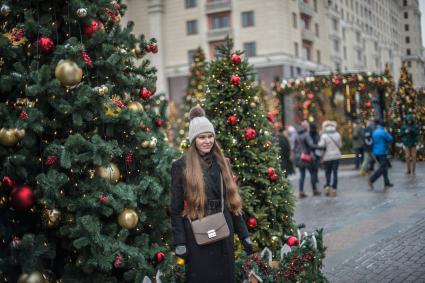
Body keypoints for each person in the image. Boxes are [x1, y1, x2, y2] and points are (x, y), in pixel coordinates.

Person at [170, 106, 252, 283]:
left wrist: (243, 234)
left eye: (210, 136)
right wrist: (180, 242)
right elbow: (175, 209)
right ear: (193, 140)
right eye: (202, 137)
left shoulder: (223, 163)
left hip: (223, 231)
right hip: (196, 233)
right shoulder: (181, 166)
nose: (207, 141)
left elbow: (232, 202)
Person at [294, 121, 323, 198]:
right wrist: (320, 147)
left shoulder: (297, 135)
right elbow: (311, 145)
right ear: (306, 127)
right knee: (312, 173)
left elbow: (295, 148)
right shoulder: (307, 135)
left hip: (299, 157)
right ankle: (314, 190)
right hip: (307, 157)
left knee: (302, 175)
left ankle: (301, 191)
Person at [318, 120, 342, 197]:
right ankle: (334, 189)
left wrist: (320, 156)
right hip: (336, 156)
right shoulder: (337, 134)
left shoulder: (324, 136)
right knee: (335, 173)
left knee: (327, 172)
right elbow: (340, 145)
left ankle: (327, 187)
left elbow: (321, 147)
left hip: (327, 157)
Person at [368, 120, 394, 190]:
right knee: (383, 168)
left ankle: (386, 182)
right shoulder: (383, 131)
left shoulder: (375, 131)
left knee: (384, 167)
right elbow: (390, 139)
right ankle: (371, 180)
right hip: (382, 151)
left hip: (376, 152)